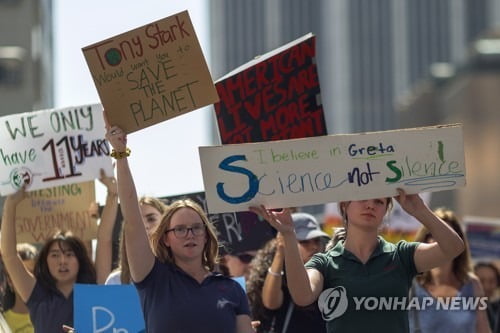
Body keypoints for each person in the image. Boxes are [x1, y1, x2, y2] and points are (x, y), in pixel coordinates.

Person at [105, 125, 255, 333]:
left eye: (196, 228)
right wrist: (120, 154)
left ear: (206, 237)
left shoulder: (232, 290)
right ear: (166, 238)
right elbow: (132, 219)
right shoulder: (154, 280)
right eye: (180, 229)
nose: (190, 234)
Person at [250, 191, 465, 333]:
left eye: (379, 202)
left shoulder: (401, 255)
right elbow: (303, 295)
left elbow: (454, 247)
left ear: (385, 211)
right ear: (344, 205)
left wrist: (420, 211)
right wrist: (288, 235)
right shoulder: (326, 262)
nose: (370, 205)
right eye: (363, 198)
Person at [1, 189, 97, 332]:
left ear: (80, 260)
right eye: (55, 255)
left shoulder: (94, 293)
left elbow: (106, 240)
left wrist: (112, 196)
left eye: (69, 254)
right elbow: (9, 255)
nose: (62, 261)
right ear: (45, 261)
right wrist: (11, 204)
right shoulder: (37, 294)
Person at [409, 208, 491, 333]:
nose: (440, 241)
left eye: (447, 235)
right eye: (433, 234)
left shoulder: (472, 285)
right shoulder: (409, 285)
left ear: (458, 243)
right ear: (424, 241)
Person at [247, 212, 329, 333]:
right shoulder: (276, 272)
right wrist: (281, 252)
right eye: (305, 242)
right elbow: (271, 302)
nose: (314, 247)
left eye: (317, 241)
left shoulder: (326, 271)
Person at [105, 196, 168, 285]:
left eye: (151, 219)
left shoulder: (181, 275)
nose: (144, 226)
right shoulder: (115, 281)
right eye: (137, 221)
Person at [2, 243, 37, 333]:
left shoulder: (53, 314)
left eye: (32, 273)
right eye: (20, 274)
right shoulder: (3, 322)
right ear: (10, 281)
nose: (26, 280)